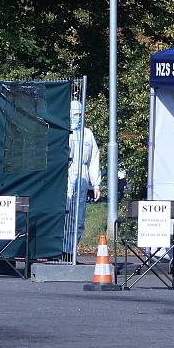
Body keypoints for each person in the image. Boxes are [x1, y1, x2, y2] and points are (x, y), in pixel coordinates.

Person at [65, 101, 101, 254]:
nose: (77, 117)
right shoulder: (64, 132)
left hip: (83, 174)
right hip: (66, 174)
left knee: (78, 218)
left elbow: (94, 159)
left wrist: (96, 184)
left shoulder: (88, 134)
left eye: (80, 114)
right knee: (65, 214)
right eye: (75, 114)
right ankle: (60, 251)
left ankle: (71, 251)